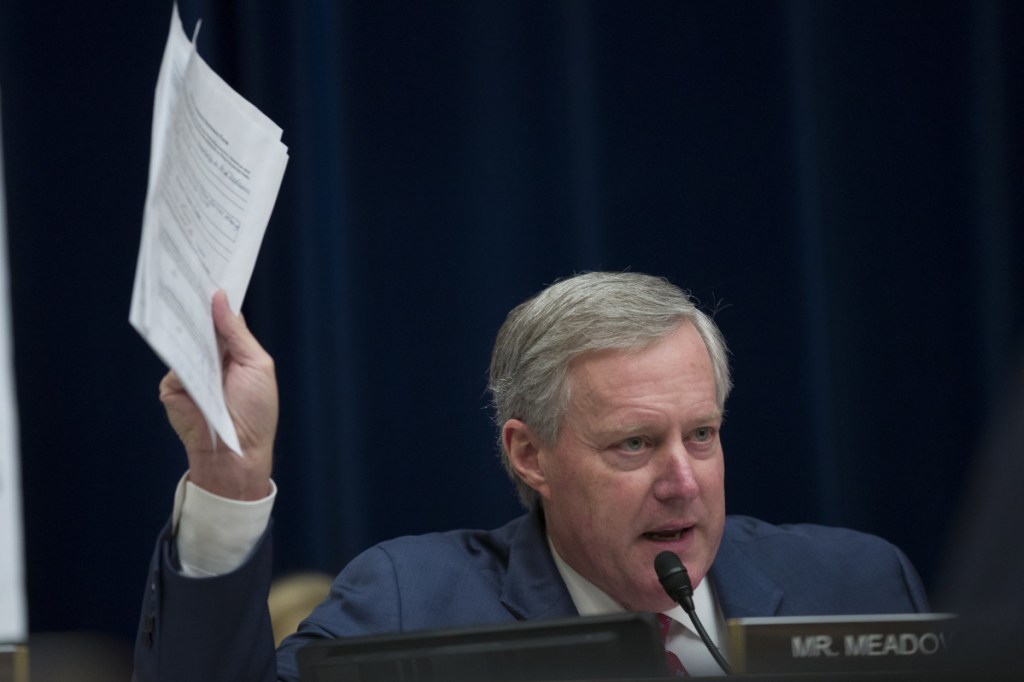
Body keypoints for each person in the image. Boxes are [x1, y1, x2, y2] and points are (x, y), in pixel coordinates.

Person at [132, 272, 929, 681]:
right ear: (529, 454)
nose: (684, 481)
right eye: (634, 445)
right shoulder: (415, 604)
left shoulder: (858, 582)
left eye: (703, 435)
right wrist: (227, 480)